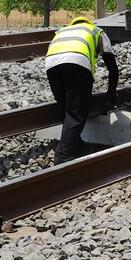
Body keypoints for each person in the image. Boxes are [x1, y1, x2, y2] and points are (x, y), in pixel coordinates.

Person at [45, 16, 119, 165]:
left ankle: (76, 145)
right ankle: (63, 158)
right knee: (76, 112)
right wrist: (111, 93)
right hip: (77, 63)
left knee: (65, 107)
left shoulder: (62, 30)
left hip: (51, 64)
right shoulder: (96, 31)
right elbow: (112, 66)